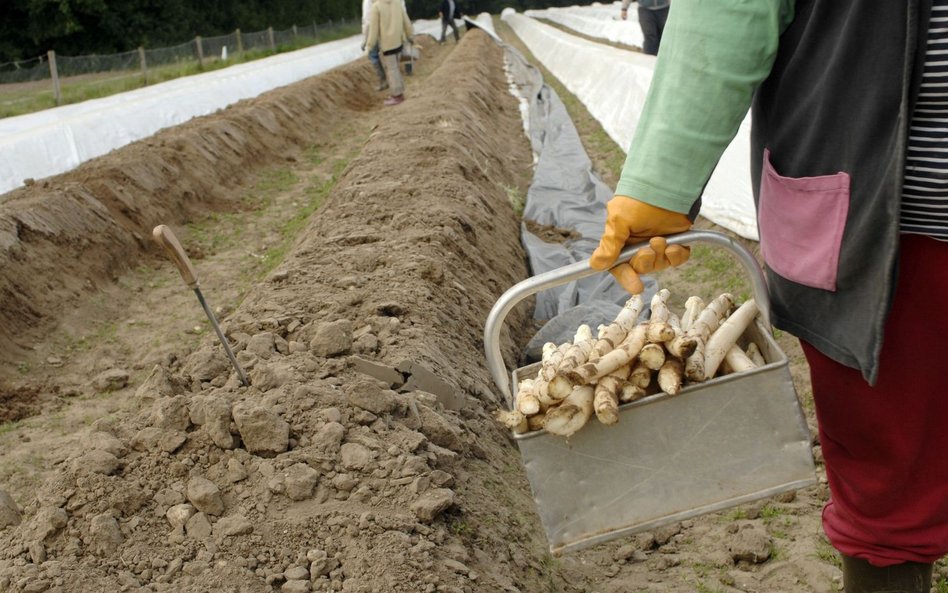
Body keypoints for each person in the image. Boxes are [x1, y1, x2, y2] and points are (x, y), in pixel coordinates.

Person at [590, 1, 948, 592]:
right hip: (884, 242)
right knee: (888, 489)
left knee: (888, 489)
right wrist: (662, 182)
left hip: (878, 228)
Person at [365, 0, 414, 106]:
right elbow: (406, 21)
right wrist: (410, 35)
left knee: (392, 69)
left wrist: (369, 46)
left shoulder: (376, 7)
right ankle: (400, 92)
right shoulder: (396, 2)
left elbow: (373, 30)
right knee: (395, 68)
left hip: (387, 44)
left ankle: (397, 96)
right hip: (398, 41)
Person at [361, 0, 389, 91]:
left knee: (373, 55)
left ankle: (383, 80)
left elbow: (367, 21)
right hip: (384, 28)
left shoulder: (367, 2)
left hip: (373, 31)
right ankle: (391, 79)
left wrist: (365, 40)